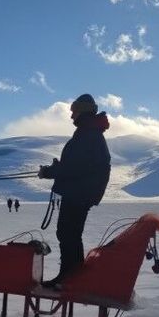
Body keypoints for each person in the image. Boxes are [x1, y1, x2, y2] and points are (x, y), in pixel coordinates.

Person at [36, 94, 111, 290]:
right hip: (81, 192)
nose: (71, 116)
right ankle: (71, 276)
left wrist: (49, 172)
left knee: (68, 233)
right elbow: (77, 165)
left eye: (74, 112)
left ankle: (70, 278)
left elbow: (75, 167)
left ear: (83, 111)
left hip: (79, 193)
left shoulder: (88, 134)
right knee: (69, 233)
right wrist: (58, 168)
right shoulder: (89, 132)